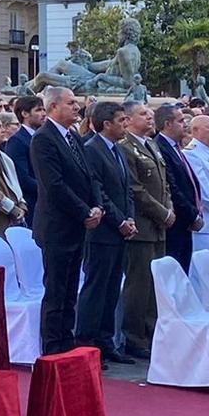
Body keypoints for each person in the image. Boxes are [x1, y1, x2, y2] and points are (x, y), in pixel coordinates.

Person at [30, 84, 108, 355]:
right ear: (53, 107)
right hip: (57, 227)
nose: (77, 107)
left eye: (77, 103)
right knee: (56, 291)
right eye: (70, 103)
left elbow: (90, 176)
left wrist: (96, 205)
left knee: (70, 289)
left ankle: (67, 342)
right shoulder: (44, 138)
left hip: (78, 226)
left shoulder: (73, 136)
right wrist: (84, 211)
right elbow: (54, 185)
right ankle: (53, 348)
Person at [75, 101, 139, 363]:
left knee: (112, 287)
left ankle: (105, 339)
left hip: (120, 231)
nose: (126, 125)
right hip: (102, 232)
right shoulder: (92, 150)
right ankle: (87, 341)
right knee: (96, 288)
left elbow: (126, 190)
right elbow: (98, 192)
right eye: (121, 121)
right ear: (106, 124)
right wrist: (119, 220)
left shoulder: (117, 150)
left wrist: (130, 218)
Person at [117, 103, 171, 361]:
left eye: (151, 114)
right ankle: (134, 336)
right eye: (143, 114)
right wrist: (162, 212)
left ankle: (152, 332)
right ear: (127, 119)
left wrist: (168, 208)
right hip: (142, 225)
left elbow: (163, 183)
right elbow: (136, 190)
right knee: (138, 285)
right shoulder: (126, 147)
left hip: (158, 226)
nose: (150, 118)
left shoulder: (152, 144)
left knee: (154, 285)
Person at [152, 102, 201, 267]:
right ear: (167, 124)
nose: (185, 125)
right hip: (176, 222)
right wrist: (192, 214)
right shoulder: (160, 147)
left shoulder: (175, 147)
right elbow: (172, 186)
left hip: (184, 224)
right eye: (180, 121)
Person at [183, 113, 209, 254]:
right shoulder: (191, 154)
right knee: (203, 270)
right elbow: (205, 193)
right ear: (195, 130)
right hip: (206, 226)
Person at [6, 93, 43, 214]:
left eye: (44, 109)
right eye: (38, 110)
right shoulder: (17, 140)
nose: (43, 114)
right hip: (32, 203)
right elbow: (22, 177)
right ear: (25, 114)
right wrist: (48, 190)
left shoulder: (43, 137)